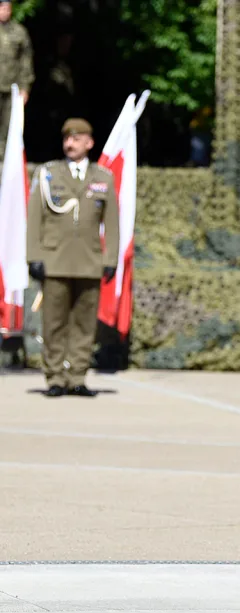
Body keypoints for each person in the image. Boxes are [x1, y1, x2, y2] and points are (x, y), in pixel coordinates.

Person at [26, 119, 118, 398]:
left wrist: (110, 259)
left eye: (77, 139)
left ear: (89, 143)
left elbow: (111, 223)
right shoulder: (48, 174)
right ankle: (55, 377)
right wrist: (34, 256)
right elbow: (35, 218)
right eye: (67, 139)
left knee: (84, 323)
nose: (70, 143)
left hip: (89, 261)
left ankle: (77, 376)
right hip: (55, 260)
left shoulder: (103, 177)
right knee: (54, 322)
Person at [0, 0, 32, 163]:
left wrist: (25, 86)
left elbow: (25, 61)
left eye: (8, 8)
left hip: (11, 87)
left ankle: (5, 163)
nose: (5, 11)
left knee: (9, 128)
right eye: (2, 8)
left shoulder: (19, 32)